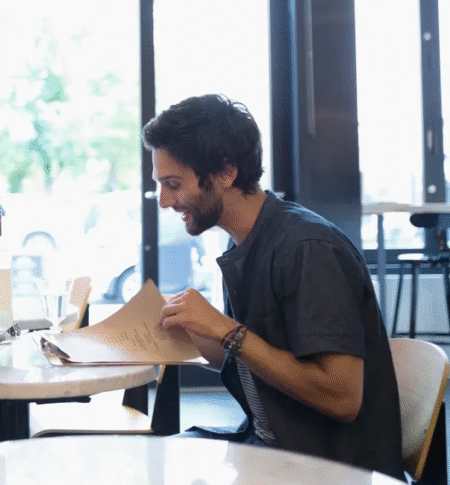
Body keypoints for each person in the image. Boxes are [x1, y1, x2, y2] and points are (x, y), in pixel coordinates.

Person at [143, 94, 403, 480]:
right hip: (269, 446)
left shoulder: (307, 249)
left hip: (325, 467)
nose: (165, 201)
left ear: (226, 173)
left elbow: (342, 398)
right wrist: (181, 330)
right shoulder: (246, 241)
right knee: (148, 463)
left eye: (174, 184)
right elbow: (251, 356)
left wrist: (227, 331)